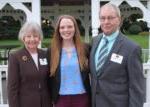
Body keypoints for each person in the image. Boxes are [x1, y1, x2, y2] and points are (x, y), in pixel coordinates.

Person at [90, 3, 145, 107]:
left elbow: (136, 88)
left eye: (110, 18)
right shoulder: (95, 42)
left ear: (119, 20)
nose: (106, 22)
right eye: (103, 18)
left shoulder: (131, 48)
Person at [48, 15, 91, 107]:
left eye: (70, 26)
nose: (66, 30)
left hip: (82, 98)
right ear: (58, 30)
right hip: (61, 99)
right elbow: (48, 77)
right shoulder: (52, 51)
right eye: (62, 27)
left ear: (75, 28)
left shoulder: (85, 48)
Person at [7, 21, 52, 107]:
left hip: (46, 102)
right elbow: (12, 88)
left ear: (39, 38)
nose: (32, 39)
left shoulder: (45, 54)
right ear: (23, 38)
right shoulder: (16, 56)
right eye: (28, 36)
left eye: (35, 36)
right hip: (26, 103)